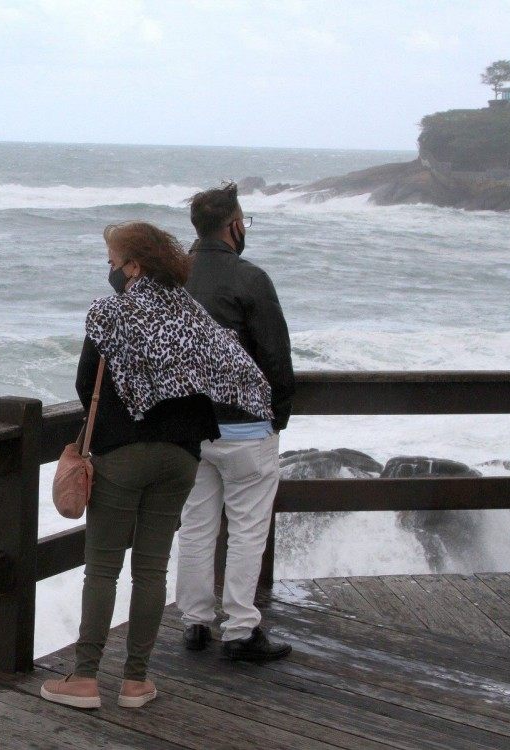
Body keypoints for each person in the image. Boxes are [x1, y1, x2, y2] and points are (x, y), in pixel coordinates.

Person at [41, 221, 273, 709]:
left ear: (134, 265)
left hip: (123, 452)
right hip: (183, 456)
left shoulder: (111, 314)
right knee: (151, 569)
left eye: (111, 262)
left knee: (102, 568)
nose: (108, 271)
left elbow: (88, 386)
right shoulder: (193, 315)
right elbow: (237, 374)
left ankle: (84, 679)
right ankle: (135, 682)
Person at [176, 182, 296, 661]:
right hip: (245, 428)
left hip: (188, 427)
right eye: (244, 220)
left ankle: (194, 622)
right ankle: (241, 629)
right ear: (233, 225)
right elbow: (276, 356)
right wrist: (277, 417)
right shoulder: (250, 279)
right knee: (247, 529)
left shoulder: (174, 277)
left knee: (196, 525)